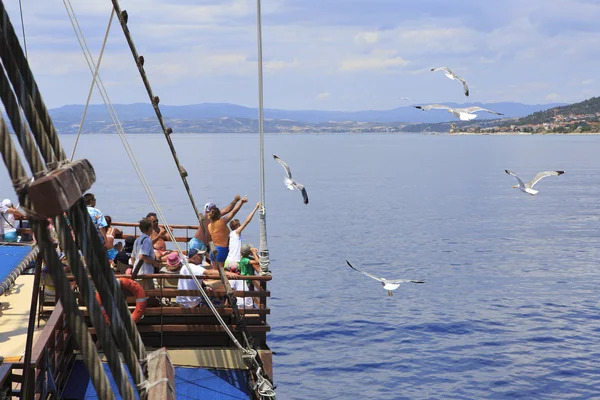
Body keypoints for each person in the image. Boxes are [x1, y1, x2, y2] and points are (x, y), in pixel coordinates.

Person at [207, 196, 248, 268]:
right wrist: (241, 202)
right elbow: (233, 212)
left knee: (215, 272)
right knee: (221, 274)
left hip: (213, 250)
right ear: (219, 214)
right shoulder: (221, 222)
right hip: (221, 250)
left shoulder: (209, 225)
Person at [224, 202, 261, 271]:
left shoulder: (231, 235)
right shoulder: (237, 232)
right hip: (235, 263)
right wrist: (255, 208)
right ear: (237, 226)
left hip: (227, 262)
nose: (241, 226)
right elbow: (247, 221)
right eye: (240, 225)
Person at [130, 217, 162, 290]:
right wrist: (154, 262)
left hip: (137, 273)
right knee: (149, 295)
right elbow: (142, 257)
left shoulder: (137, 240)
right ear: (149, 228)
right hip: (145, 274)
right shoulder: (147, 240)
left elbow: (133, 257)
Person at [237, 244, 262, 308]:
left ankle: (248, 305)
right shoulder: (245, 260)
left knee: (248, 293)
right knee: (246, 294)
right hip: (246, 280)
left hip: (248, 280)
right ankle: (246, 306)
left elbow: (258, 260)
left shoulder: (245, 258)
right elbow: (257, 261)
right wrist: (253, 252)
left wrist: (254, 253)